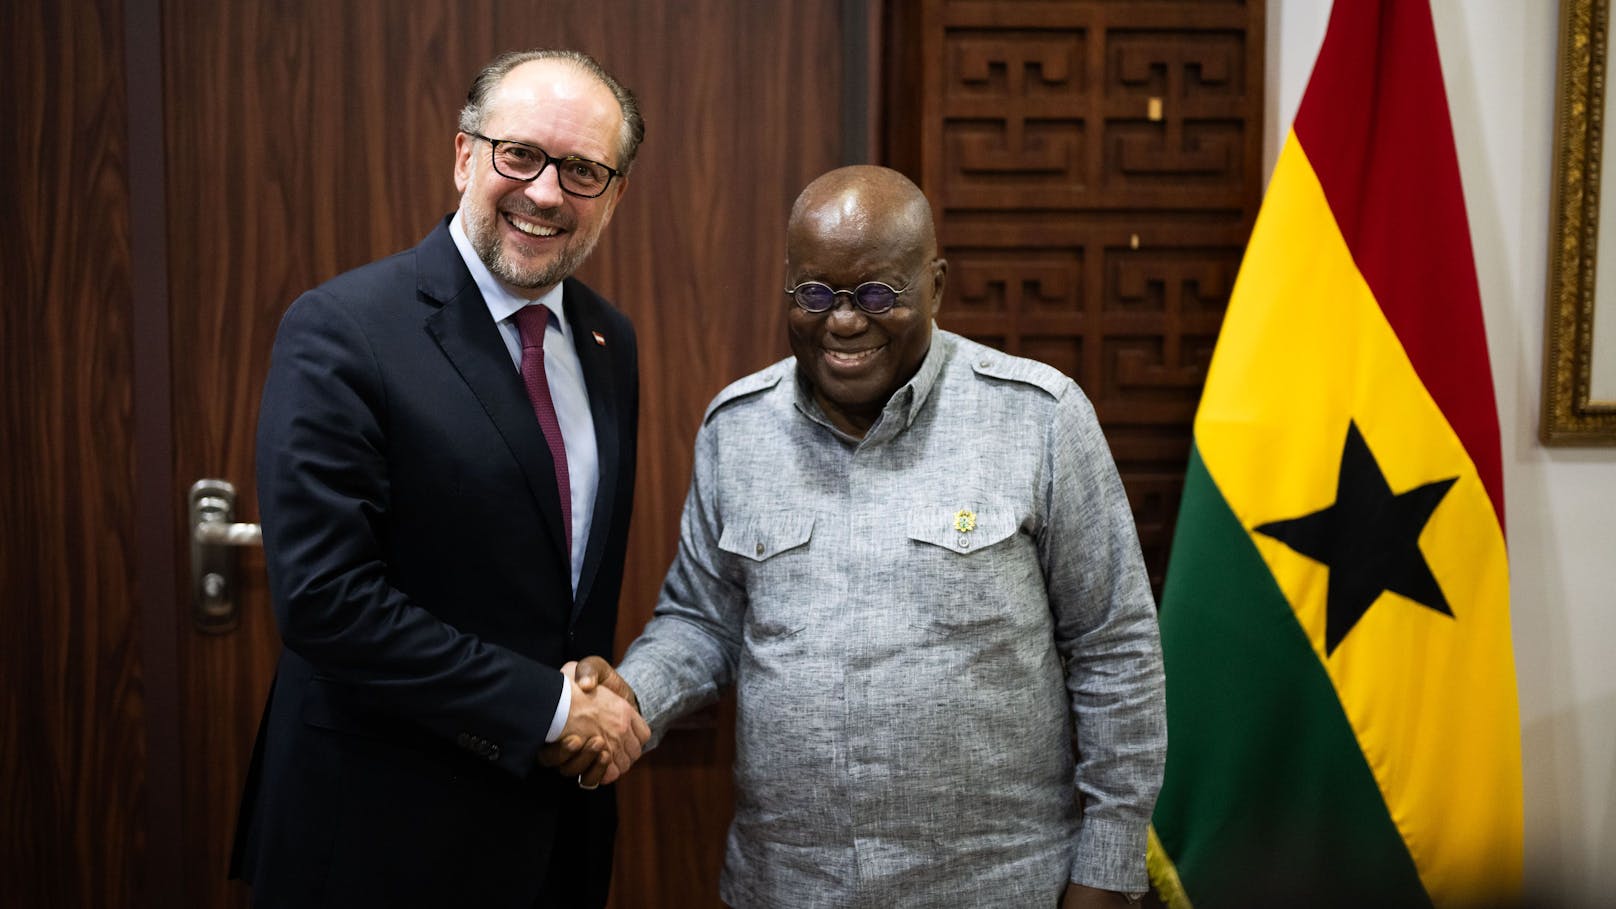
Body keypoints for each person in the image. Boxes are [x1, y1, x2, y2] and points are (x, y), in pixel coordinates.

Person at [553, 165, 1167, 908]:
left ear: (935, 285)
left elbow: (1115, 647)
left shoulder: (1038, 418)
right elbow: (701, 620)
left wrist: (1108, 865)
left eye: (879, 293)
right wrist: (627, 696)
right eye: (815, 294)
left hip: (1000, 886)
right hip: (790, 887)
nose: (844, 321)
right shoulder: (737, 429)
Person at [230, 49, 651, 909]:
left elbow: (559, 583)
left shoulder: (610, 341)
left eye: (581, 170)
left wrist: (591, 691)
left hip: (551, 837)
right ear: (464, 155)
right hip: (378, 834)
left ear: (614, 195)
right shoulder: (343, 330)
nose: (544, 192)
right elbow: (325, 600)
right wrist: (549, 707)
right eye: (519, 154)